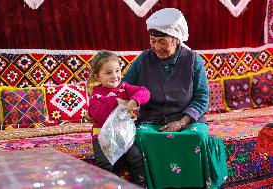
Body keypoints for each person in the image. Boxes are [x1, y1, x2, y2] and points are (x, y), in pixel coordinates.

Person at [122, 8, 228, 189]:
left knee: (197, 137)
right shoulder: (143, 60)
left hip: (187, 119)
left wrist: (182, 122)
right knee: (143, 137)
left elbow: (202, 97)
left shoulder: (194, 61)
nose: (156, 47)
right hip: (151, 119)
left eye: (162, 42)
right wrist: (119, 102)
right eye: (153, 41)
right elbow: (123, 88)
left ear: (176, 39)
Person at [88, 50, 150, 187]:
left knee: (136, 157)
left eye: (117, 71)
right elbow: (100, 115)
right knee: (104, 161)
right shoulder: (96, 96)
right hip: (102, 135)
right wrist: (116, 102)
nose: (115, 76)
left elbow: (144, 92)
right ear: (97, 77)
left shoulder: (124, 88)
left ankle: (140, 185)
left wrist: (135, 100)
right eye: (108, 73)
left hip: (123, 134)